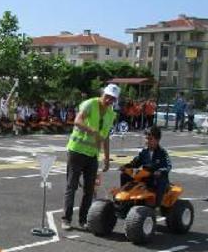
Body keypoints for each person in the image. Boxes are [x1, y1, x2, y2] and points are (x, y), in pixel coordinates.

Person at [61, 84, 119, 230]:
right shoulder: (90, 104)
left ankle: (83, 220)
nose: (109, 100)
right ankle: (66, 219)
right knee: (71, 186)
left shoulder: (111, 113)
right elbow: (77, 121)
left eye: (112, 99)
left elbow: (105, 137)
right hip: (77, 151)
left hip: (92, 154)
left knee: (90, 189)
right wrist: (92, 130)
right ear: (102, 94)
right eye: (107, 97)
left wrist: (106, 158)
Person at [120, 126, 172, 207]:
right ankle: (124, 198)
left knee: (160, 181)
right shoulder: (144, 152)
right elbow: (135, 163)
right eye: (146, 138)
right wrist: (126, 167)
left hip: (157, 177)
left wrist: (160, 171)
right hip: (146, 177)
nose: (147, 141)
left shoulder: (162, 153)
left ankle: (157, 206)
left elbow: (168, 166)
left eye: (150, 139)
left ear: (157, 140)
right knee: (124, 175)